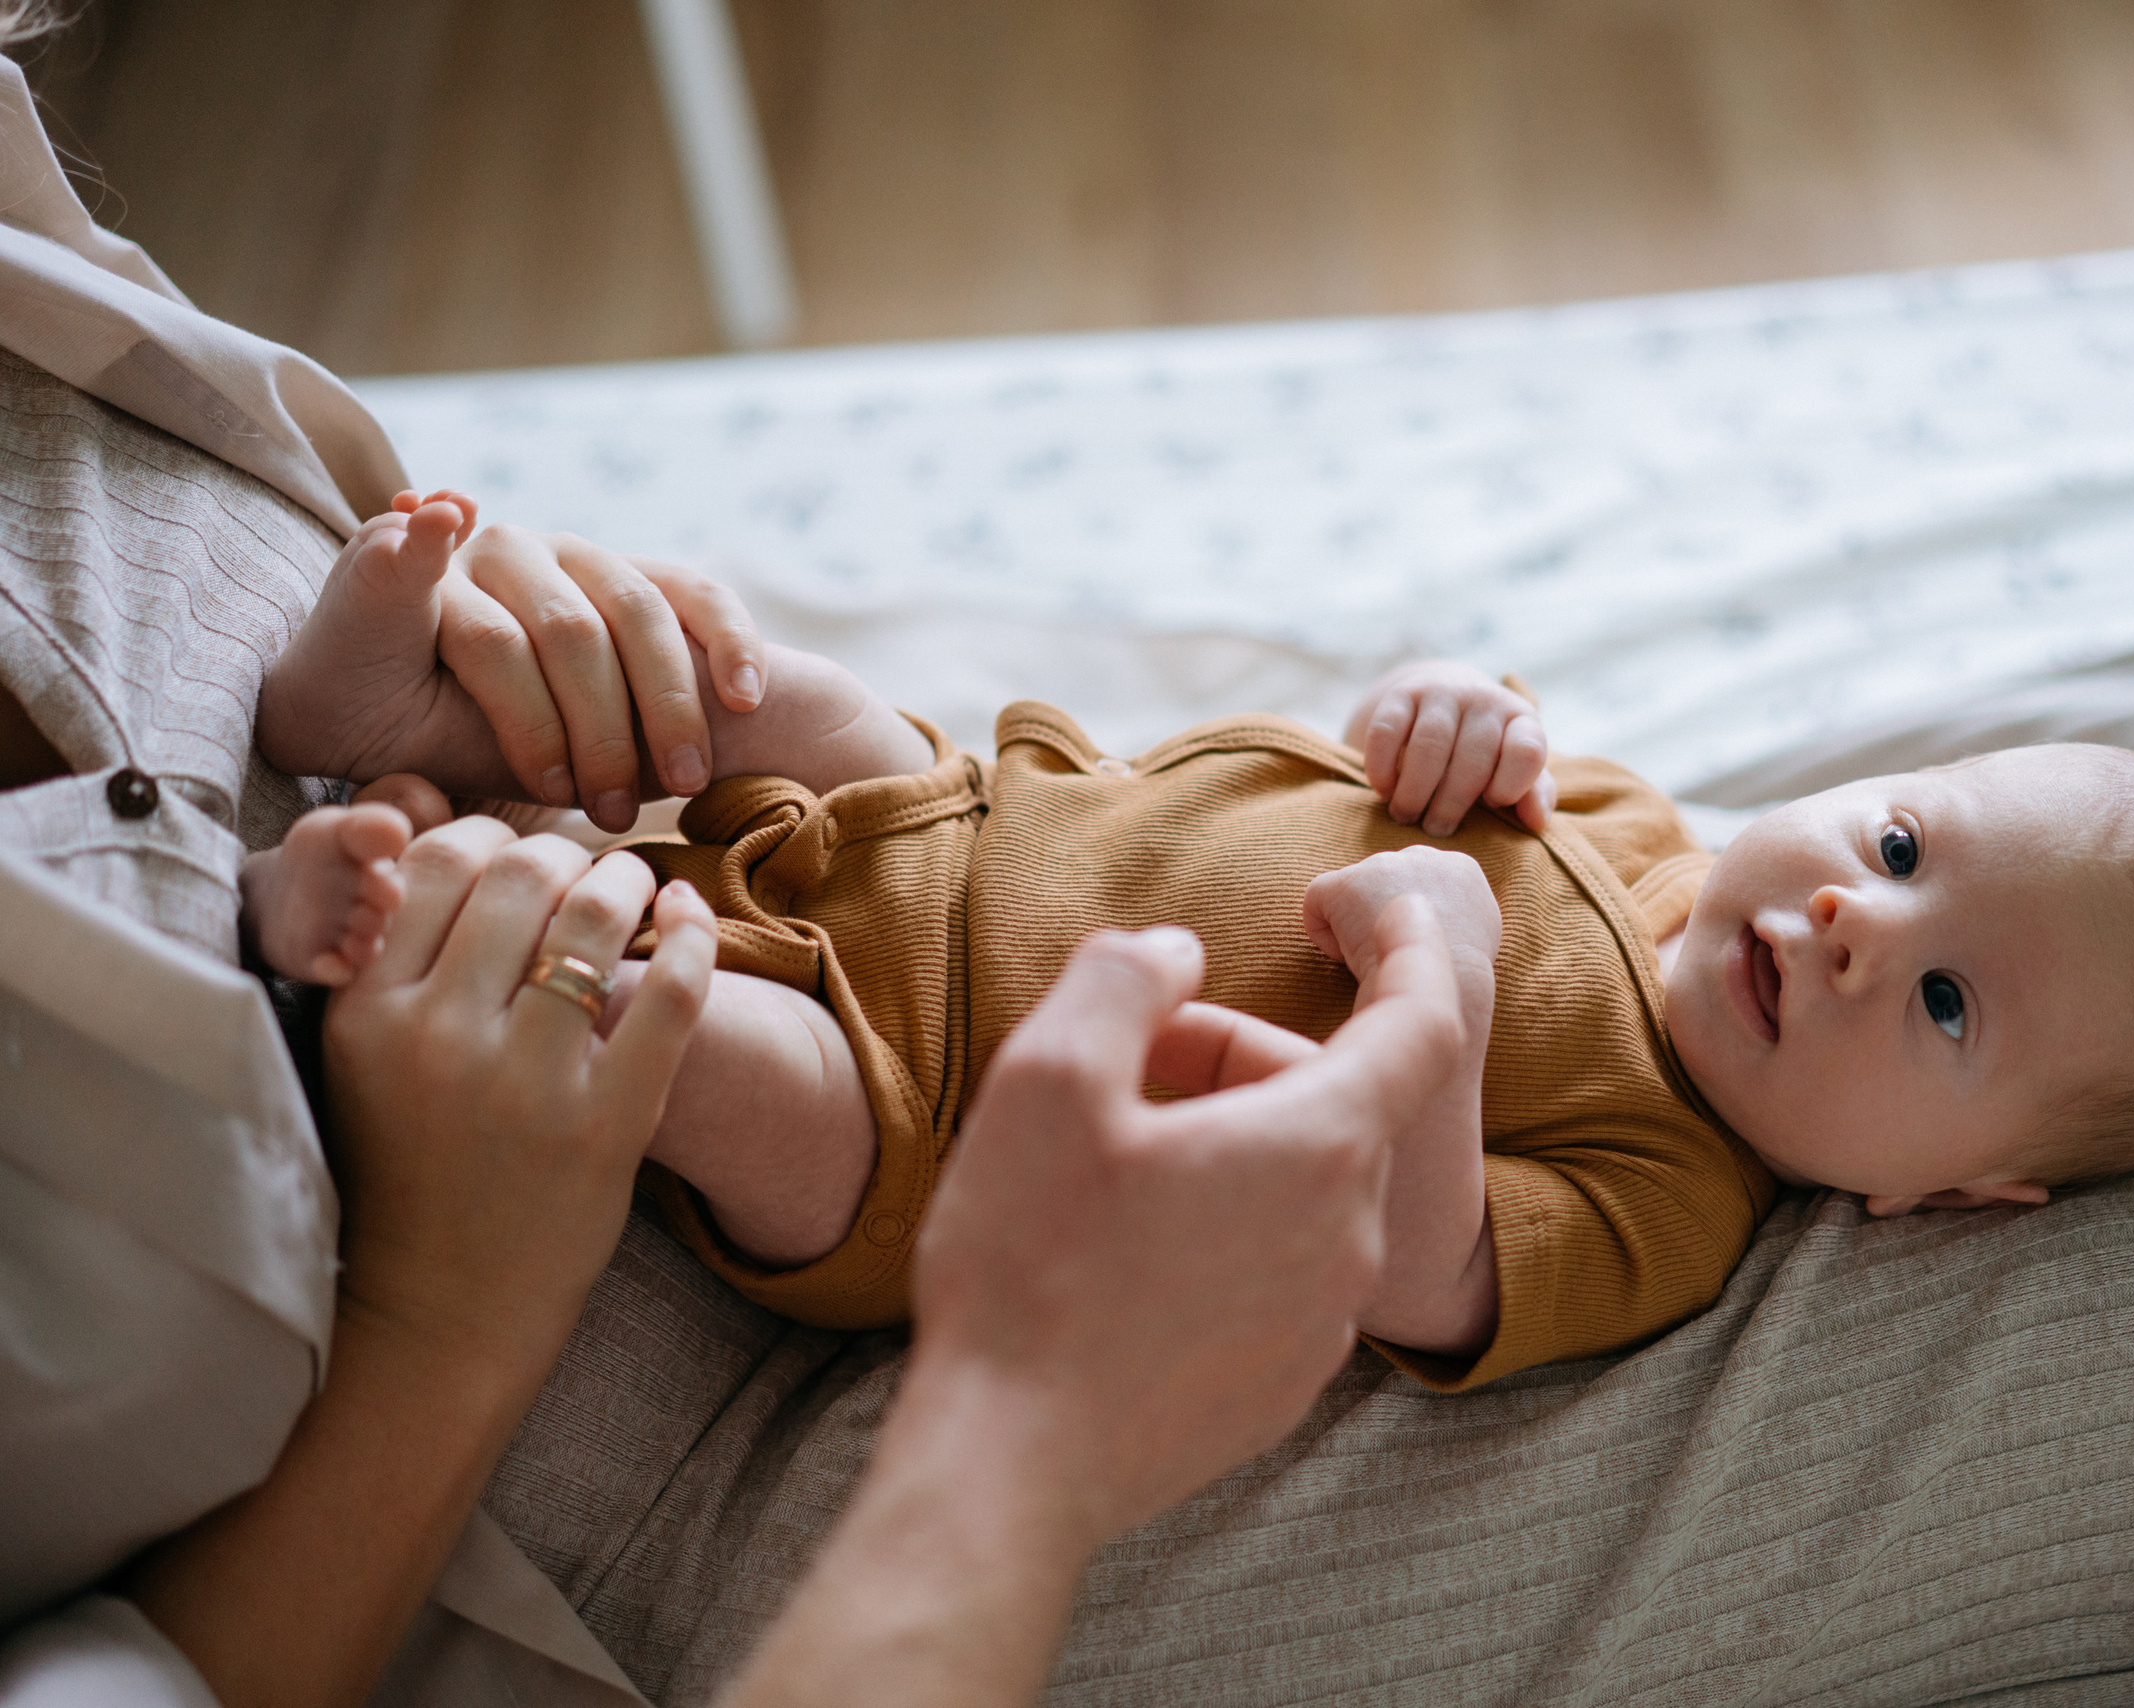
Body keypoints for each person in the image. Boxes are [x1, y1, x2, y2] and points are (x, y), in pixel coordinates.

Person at [0, 32, 1471, 1708]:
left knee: (778, 719)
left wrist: (494, 637)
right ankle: (559, 961)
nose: (1839, 913)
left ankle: (428, 785)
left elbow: (1484, 1252)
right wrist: (444, 1308)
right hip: (721, 1408)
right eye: (1860, 836)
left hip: (864, 941)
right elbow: (1423, 1247)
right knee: (749, 1023)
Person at [263, 499, 2134, 1393]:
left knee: (674, 1032)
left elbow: (1407, 1265)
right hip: (968, 811)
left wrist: (1440, 998)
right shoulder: (1625, 814)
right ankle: (403, 731)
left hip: (926, 1138)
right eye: (1899, 837)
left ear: (1961, 1192)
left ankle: (394, 930)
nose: (1861, 923)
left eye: (1947, 997)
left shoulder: (1671, 1196)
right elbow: (1369, 751)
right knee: (755, 685)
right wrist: (1443, 705)